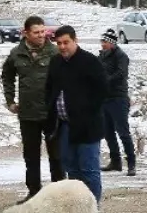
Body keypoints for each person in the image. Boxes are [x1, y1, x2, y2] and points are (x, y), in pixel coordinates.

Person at [2, 15, 65, 202]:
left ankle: (58, 193)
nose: (41, 35)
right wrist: (10, 100)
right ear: (26, 33)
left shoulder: (53, 52)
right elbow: (7, 77)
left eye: (43, 31)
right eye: (36, 32)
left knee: (56, 154)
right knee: (31, 155)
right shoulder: (16, 53)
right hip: (28, 113)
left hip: (50, 112)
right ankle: (34, 192)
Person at [45, 26, 106, 203]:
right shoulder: (56, 62)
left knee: (89, 170)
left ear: (75, 40)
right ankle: (77, 208)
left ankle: (92, 211)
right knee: (72, 169)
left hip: (88, 126)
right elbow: (49, 89)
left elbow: (102, 90)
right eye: (59, 43)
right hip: (64, 126)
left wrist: (86, 111)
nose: (62, 47)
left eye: (66, 42)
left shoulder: (89, 61)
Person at [99, 30, 136, 176]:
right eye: (102, 42)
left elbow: (121, 74)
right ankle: (116, 161)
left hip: (118, 98)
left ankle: (131, 163)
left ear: (112, 43)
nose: (103, 45)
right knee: (108, 131)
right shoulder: (101, 56)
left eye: (105, 42)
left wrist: (105, 79)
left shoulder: (121, 56)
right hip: (104, 99)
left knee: (123, 132)